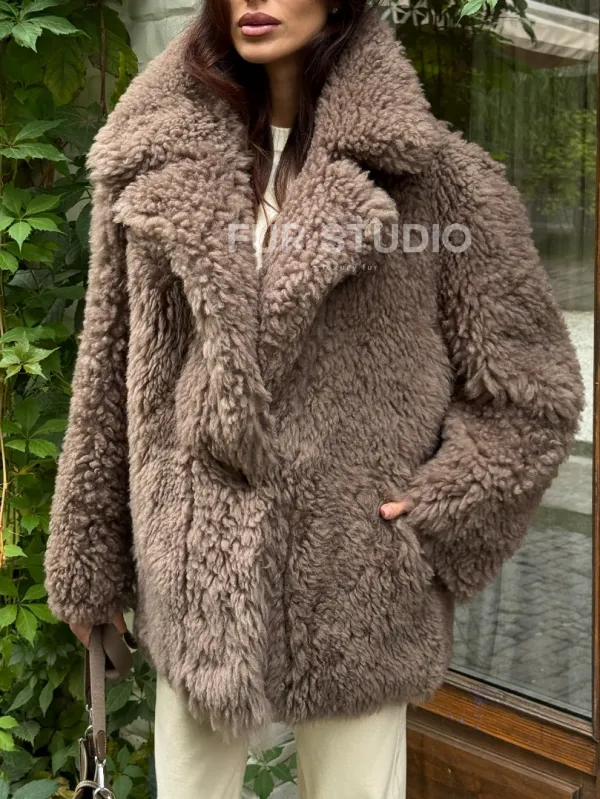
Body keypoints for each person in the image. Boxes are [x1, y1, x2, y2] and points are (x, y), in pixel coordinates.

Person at [43, 0, 585, 796]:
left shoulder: (439, 183)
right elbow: (107, 370)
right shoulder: (150, 158)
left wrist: (437, 512)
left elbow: (534, 391)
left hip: (356, 580)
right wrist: (89, 562)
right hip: (193, 573)